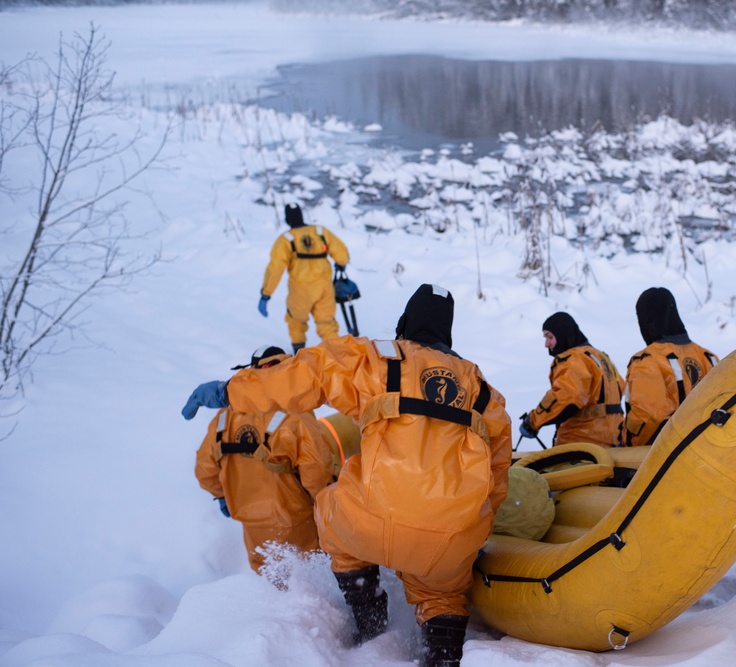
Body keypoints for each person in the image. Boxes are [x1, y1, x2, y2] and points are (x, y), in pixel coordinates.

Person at [184, 284, 512, 667]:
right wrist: (470, 531)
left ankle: (369, 622)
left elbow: (307, 373)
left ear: (405, 322)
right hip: (447, 539)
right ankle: (442, 654)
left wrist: (231, 392)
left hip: (369, 522)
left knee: (328, 506)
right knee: (443, 593)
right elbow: (497, 478)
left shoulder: (381, 360)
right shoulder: (485, 393)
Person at [193, 345, 337, 574]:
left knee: (269, 586)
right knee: (311, 585)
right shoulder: (295, 415)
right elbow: (317, 471)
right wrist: (327, 509)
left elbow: (204, 470)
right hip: (298, 522)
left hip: (252, 526)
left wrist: (222, 497)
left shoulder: (223, 419)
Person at [622, 287, 718, 447]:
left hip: (667, 459)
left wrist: (628, 446)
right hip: (713, 453)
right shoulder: (709, 358)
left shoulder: (647, 361)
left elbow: (647, 420)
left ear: (646, 321)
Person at [519, 311, 624, 448]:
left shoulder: (573, 359)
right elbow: (621, 387)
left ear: (563, 334)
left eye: (550, 337)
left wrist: (532, 421)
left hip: (580, 441)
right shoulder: (601, 358)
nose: (546, 344)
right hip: (613, 441)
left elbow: (565, 398)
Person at [258, 204, 351, 353]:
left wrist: (266, 294)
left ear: (287, 219)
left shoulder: (285, 240)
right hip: (324, 289)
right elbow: (341, 253)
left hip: (301, 291)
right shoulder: (320, 232)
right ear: (302, 215)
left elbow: (275, 269)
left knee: (296, 322)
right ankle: (337, 357)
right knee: (327, 323)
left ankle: (299, 354)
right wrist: (342, 263)